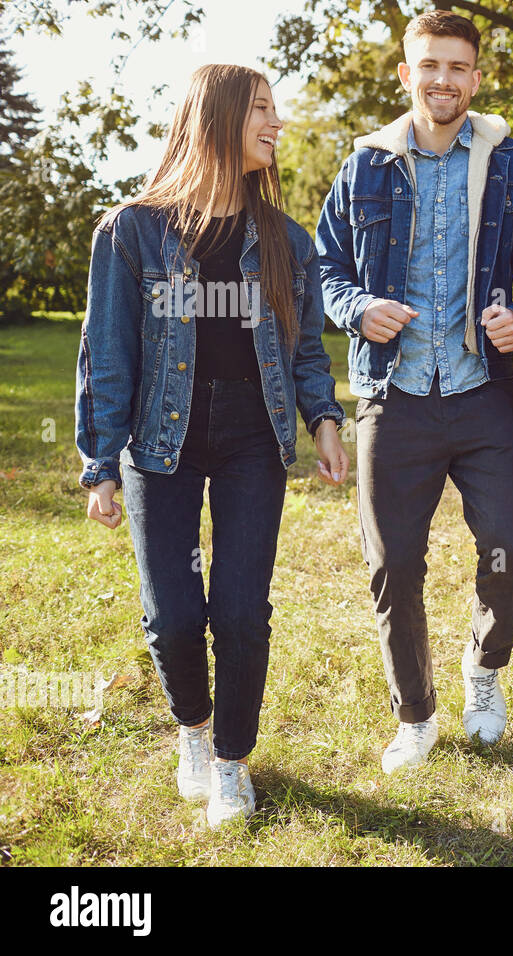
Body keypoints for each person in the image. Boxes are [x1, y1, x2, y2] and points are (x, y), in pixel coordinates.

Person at [75, 64, 348, 828]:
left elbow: (304, 351)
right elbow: (107, 352)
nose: (276, 123)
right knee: (171, 615)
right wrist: (99, 462)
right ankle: (192, 733)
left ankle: (231, 764)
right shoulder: (132, 230)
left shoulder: (287, 241)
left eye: (275, 109)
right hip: (159, 442)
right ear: (220, 117)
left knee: (239, 611)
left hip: (251, 441)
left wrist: (324, 417)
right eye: (262, 109)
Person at [315, 11, 513, 772]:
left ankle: (483, 670)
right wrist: (357, 309)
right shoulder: (365, 169)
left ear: (476, 78)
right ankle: (413, 714)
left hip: (483, 388)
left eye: (457, 67)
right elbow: (323, 269)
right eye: (429, 66)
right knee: (393, 564)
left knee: (511, 547)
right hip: (396, 392)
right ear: (405, 74)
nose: (443, 80)